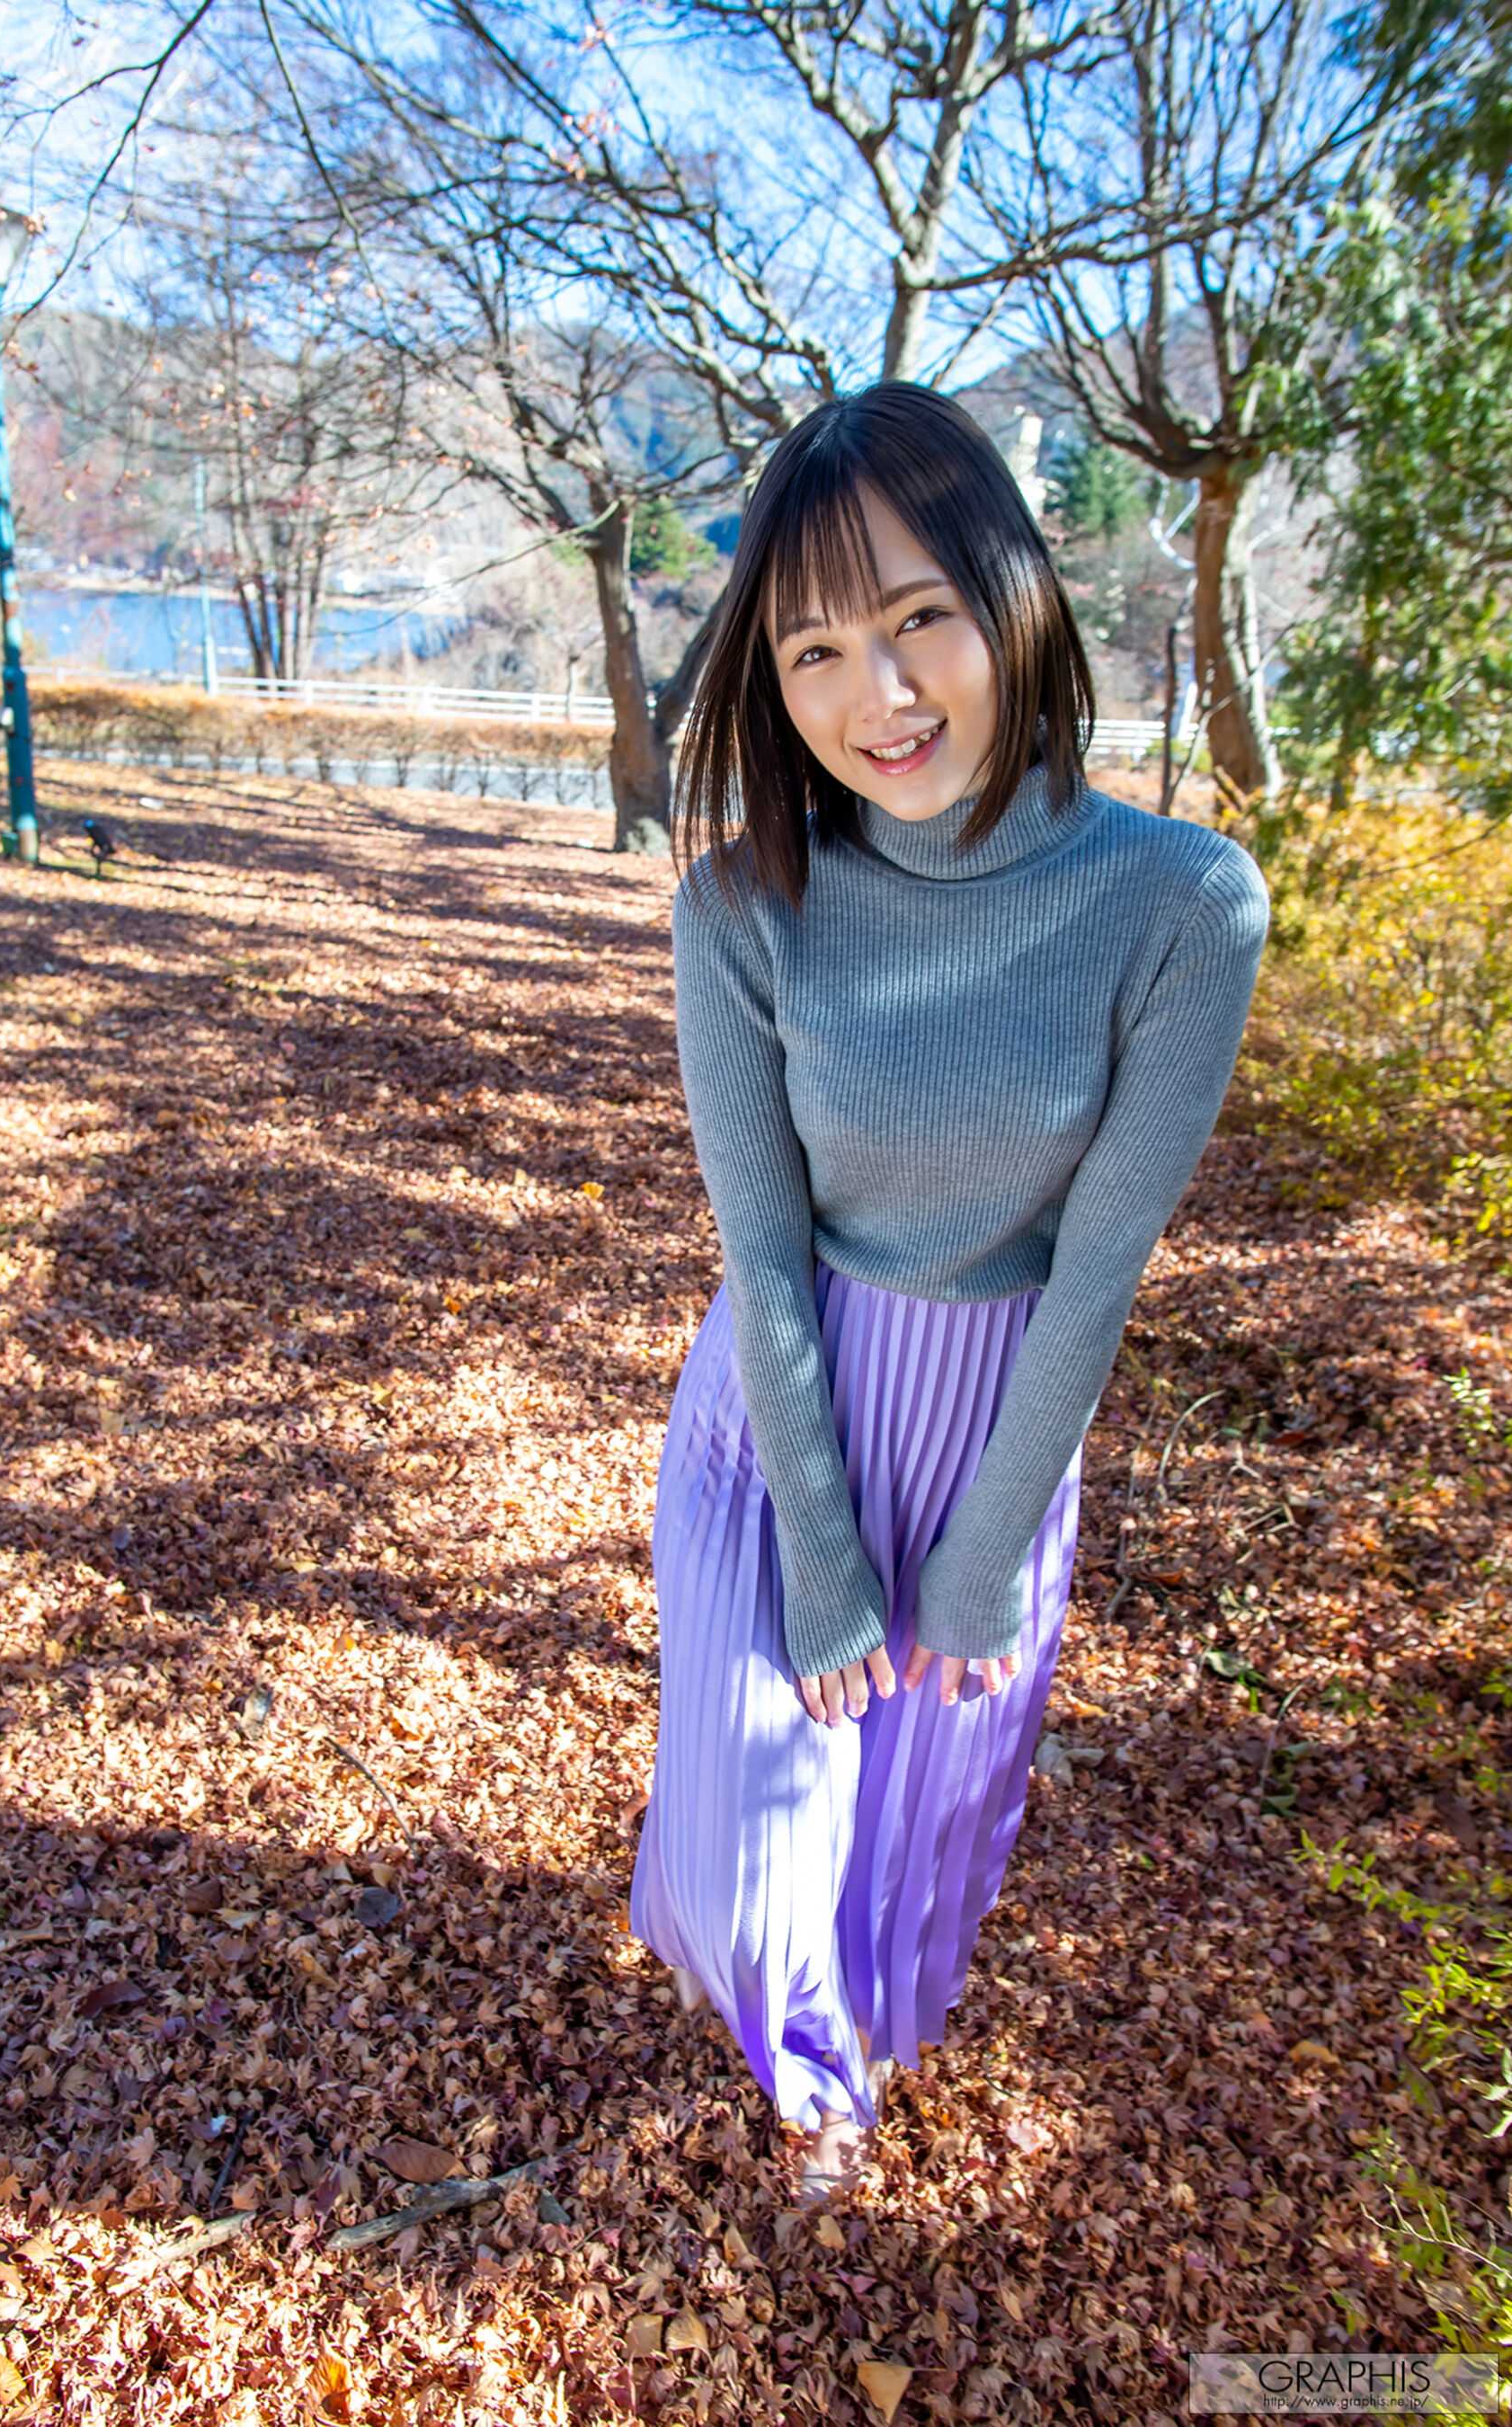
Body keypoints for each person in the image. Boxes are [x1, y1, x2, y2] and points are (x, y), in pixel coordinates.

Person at [628, 380, 1270, 2204]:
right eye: (816, 650)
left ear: (1015, 597)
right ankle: (798, 2050)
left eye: (920, 618)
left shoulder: (1183, 904)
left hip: (999, 1427)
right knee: (747, 1843)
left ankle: (843, 2069)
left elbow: (1100, 1262)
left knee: (908, 1840)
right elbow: (762, 1248)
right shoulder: (742, 906)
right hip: (780, 1426)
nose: (881, 695)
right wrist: (825, 1557)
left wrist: (981, 1554)